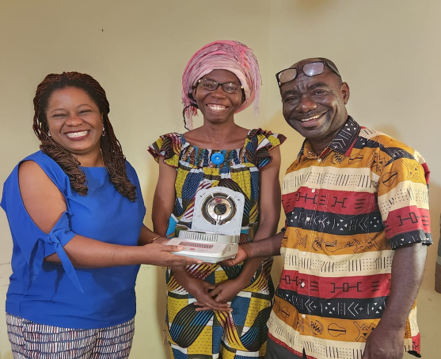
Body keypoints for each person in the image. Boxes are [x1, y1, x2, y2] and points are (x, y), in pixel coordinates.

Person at [224, 58, 432, 359]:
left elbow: (412, 245)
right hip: (286, 333)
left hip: (357, 343)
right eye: (291, 98)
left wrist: (391, 329)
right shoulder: (297, 169)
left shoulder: (392, 158)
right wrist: (249, 251)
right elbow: (297, 237)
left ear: (344, 93)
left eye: (318, 91)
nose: (305, 105)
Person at [1, 72, 200, 359]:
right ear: (45, 124)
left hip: (116, 314)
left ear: (102, 117)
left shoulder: (121, 168)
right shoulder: (36, 171)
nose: (74, 121)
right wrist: (147, 255)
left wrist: (163, 242)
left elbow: (129, 226)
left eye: (84, 111)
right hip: (53, 320)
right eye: (59, 114)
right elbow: (59, 248)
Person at [148, 40, 286, 359]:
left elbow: (268, 219)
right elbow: (161, 220)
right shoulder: (173, 149)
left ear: (242, 96)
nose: (218, 93)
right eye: (209, 83)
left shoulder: (261, 147)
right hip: (185, 280)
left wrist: (242, 280)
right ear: (193, 91)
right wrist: (187, 280)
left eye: (230, 86)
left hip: (249, 279)